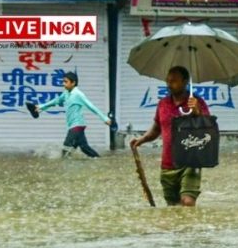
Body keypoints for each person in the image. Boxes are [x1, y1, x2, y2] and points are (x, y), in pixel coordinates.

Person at [129, 66, 210, 207]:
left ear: (185, 82)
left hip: (190, 161)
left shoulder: (196, 102)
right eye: (168, 81)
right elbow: (156, 129)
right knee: (173, 208)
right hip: (168, 164)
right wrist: (141, 140)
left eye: (174, 81)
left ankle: (193, 228)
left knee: (187, 202)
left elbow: (209, 129)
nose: (169, 84)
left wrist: (198, 112)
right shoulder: (163, 104)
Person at [34, 71, 112, 158]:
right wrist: (41, 107)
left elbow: (91, 106)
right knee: (84, 148)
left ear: (73, 83)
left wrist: (105, 118)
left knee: (66, 149)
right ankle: (100, 160)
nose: (63, 84)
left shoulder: (78, 94)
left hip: (77, 125)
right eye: (63, 81)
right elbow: (55, 101)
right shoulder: (66, 93)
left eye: (66, 82)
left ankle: (64, 168)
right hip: (74, 126)